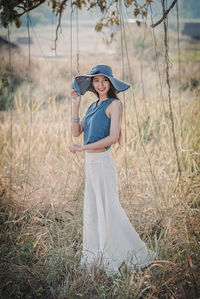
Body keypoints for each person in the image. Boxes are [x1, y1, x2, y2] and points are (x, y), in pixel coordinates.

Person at [69, 65, 156, 275]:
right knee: (93, 211)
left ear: (111, 83)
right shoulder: (91, 107)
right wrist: (76, 105)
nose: (100, 85)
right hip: (91, 165)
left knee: (110, 209)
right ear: (92, 84)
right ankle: (97, 255)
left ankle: (129, 252)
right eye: (96, 81)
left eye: (104, 81)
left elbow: (113, 138)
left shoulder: (114, 104)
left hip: (102, 163)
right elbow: (75, 132)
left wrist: (83, 148)